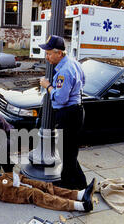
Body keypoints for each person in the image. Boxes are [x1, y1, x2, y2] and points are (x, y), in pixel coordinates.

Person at [38, 35, 87, 190]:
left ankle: (75, 183)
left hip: (68, 113)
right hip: (76, 110)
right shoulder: (74, 63)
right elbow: (83, 81)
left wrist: (48, 86)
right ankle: (74, 182)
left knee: (67, 151)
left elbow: (61, 98)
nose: (46, 57)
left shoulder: (63, 71)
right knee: (69, 151)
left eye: (49, 53)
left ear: (59, 53)